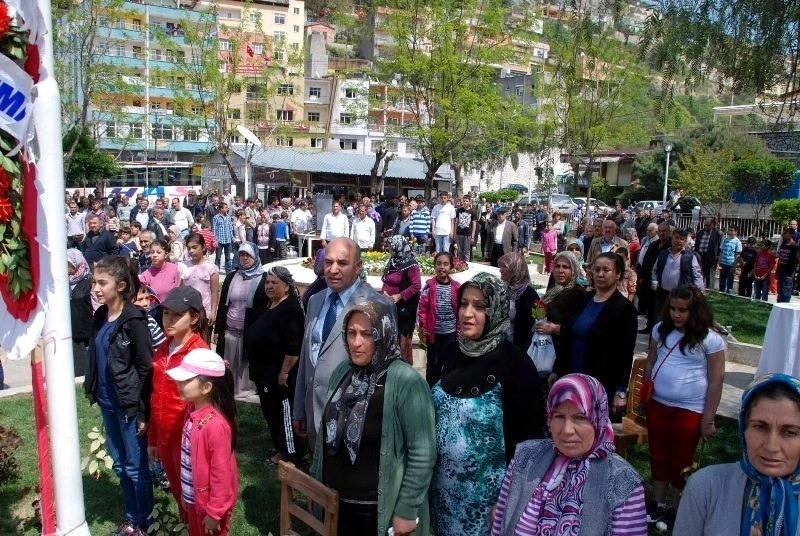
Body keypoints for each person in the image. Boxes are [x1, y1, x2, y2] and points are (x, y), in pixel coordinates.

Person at [430, 272, 546, 535]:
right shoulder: (450, 352)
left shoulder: (516, 364)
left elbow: (530, 444)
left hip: (489, 504)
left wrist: (510, 500)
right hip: (441, 494)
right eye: (464, 304)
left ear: (496, 309)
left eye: (480, 306)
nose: (467, 313)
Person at [310, 300, 435, 536]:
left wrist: (407, 510)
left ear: (384, 335)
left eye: (367, 334)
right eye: (351, 333)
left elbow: (423, 453)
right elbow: (324, 441)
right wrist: (316, 488)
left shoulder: (407, 383)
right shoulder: (343, 373)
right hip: (336, 506)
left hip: (375, 514)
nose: (356, 343)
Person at [492, 374, 648, 535]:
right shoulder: (526, 456)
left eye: (580, 417)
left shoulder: (623, 482)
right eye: (558, 416)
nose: (567, 430)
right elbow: (499, 523)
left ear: (598, 419)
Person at [293, 237, 395, 446]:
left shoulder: (378, 305)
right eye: (328, 262)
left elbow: (388, 370)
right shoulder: (315, 301)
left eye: (342, 263)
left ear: (358, 267)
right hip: (314, 416)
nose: (332, 269)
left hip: (354, 422)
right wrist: (300, 408)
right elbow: (307, 357)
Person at [674, 373, 800, 535]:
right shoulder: (706, 487)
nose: (771, 446)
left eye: (790, 432)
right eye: (760, 427)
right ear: (743, 429)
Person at [642, 285, 725, 528]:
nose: (676, 315)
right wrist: (646, 393)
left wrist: (708, 419)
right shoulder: (660, 330)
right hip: (658, 404)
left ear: (695, 311)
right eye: (672, 309)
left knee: (681, 461)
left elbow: (716, 380)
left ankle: (677, 508)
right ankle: (658, 504)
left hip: (689, 409)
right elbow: (650, 362)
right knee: (658, 455)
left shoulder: (711, 340)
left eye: (683, 310)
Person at [84, 256, 154, 535]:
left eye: (102, 282)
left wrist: (141, 411)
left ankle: (145, 522)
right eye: (94, 282)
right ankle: (131, 517)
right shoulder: (100, 316)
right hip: (107, 404)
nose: (96, 288)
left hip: (129, 407)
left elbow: (146, 368)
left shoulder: (134, 320)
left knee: (136, 467)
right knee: (120, 466)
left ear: (121, 285)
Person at [147, 286, 209, 517]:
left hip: (187, 439)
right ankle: (187, 525)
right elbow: (156, 395)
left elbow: (207, 407)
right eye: (166, 313)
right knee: (178, 493)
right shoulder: (164, 347)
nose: (168, 320)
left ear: (193, 318)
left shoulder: (199, 353)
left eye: (176, 315)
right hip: (165, 436)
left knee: (193, 496)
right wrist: (154, 437)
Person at [550, 252, 638, 410]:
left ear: (618, 274)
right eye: (596, 270)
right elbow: (568, 335)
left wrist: (620, 391)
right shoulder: (583, 299)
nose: (600, 274)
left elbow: (625, 352)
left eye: (606, 270)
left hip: (600, 380)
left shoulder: (624, 309)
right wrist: (557, 369)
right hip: (571, 374)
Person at [166, 349, 238, 536]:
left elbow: (221, 475)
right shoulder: (192, 413)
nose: (178, 383)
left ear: (206, 387)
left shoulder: (215, 426)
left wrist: (214, 513)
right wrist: (187, 495)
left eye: (185, 380)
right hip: (196, 501)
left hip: (210, 508)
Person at [244, 266, 305, 466]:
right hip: (264, 374)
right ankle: (280, 446)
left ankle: (290, 452)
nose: (269, 286)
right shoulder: (270, 305)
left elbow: (294, 347)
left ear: (286, 287)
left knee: (282, 414)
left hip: (280, 376)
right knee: (270, 413)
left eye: (274, 283)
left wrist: (284, 372)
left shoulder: (290, 310)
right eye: (267, 282)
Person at [214, 243, 268, 399]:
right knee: (228, 362)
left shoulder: (263, 279)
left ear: (255, 256)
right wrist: (218, 329)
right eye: (241, 255)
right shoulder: (232, 276)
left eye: (248, 255)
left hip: (250, 331)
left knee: (245, 364)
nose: (244, 258)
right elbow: (224, 302)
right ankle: (228, 388)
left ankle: (245, 390)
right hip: (230, 329)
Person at [537, 251, 589, 374]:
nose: (560, 270)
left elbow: (577, 329)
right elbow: (539, 312)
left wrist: (555, 328)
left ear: (574, 270)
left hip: (562, 356)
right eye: (557, 266)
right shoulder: (553, 290)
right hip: (542, 348)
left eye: (566, 267)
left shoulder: (579, 294)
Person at [418, 251, 461, 387]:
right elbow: (423, 309)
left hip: (451, 333)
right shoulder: (429, 287)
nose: (442, 267)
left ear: (451, 267)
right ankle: (431, 390)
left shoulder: (456, 287)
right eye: (439, 264)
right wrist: (423, 328)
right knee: (433, 363)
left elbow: (460, 309)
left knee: (449, 362)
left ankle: (446, 389)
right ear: (434, 266)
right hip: (434, 335)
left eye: (446, 264)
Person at [381, 235, 421, 364]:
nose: (390, 250)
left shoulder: (411, 265)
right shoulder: (393, 262)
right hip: (389, 307)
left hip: (403, 309)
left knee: (403, 341)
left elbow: (416, 286)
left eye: (392, 247)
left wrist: (399, 296)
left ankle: (405, 370)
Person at [651, 228, 704, 319]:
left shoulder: (690, 257)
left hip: (681, 296)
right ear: (672, 238)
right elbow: (655, 270)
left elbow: (697, 275)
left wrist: (699, 291)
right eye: (677, 238)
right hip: (663, 294)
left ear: (685, 241)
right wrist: (654, 281)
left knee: (677, 318)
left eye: (682, 239)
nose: (678, 241)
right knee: (661, 317)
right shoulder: (663, 254)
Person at [180, 233, 220, 336]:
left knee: (203, 342)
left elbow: (214, 292)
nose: (191, 251)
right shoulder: (183, 267)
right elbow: (180, 289)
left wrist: (213, 312)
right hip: (187, 312)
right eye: (189, 248)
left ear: (203, 247)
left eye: (195, 247)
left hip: (204, 313)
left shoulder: (211, 268)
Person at [498, 252, 539, 350]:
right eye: (500, 266)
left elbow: (536, 322)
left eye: (504, 266)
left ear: (515, 269)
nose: (500, 270)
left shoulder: (530, 295)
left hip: (518, 348)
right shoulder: (502, 289)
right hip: (499, 345)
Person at [68, 249, 93, 377]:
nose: (66, 267)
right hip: (71, 330)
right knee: (77, 368)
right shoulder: (63, 282)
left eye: (69, 264)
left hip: (87, 330)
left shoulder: (89, 282)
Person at [693, 218, 723, 290]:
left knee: (710, 275)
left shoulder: (717, 233)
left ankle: (710, 291)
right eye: (705, 225)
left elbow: (720, 246)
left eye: (708, 225)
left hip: (710, 257)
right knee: (699, 274)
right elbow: (697, 244)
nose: (706, 227)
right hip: (700, 256)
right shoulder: (700, 232)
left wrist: (718, 257)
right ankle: (699, 290)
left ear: (713, 225)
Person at [777, 227, 799, 303]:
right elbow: (780, 259)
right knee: (780, 291)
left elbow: (795, 261)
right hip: (781, 271)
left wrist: (790, 274)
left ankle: (785, 308)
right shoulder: (783, 245)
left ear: (790, 235)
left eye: (785, 233)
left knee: (786, 292)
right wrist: (777, 271)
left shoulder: (794, 246)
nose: (783, 234)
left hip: (788, 273)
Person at [718, 225, 742, 293]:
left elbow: (737, 255)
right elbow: (721, 251)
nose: (730, 232)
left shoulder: (737, 242)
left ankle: (729, 293)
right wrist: (719, 262)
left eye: (732, 230)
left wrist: (734, 266)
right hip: (723, 263)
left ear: (736, 232)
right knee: (722, 279)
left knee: (730, 280)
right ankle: (721, 291)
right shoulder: (725, 239)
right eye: (729, 230)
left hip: (731, 264)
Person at [455, 195, 478, 261]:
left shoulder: (472, 211)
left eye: (466, 201)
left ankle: (467, 265)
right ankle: (459, 265)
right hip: (459, 233)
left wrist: (473, 236)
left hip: (468, 234)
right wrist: (455, 233)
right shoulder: (459, 210)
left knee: (466, 252)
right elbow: (456, 222)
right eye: (464, 201)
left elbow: (474, 224)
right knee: (459, 251)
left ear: (469, 202)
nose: (465, 202)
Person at [212, 202, 234, 273]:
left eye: (227, 207)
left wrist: (232, 238)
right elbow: (215, 229)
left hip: (228, 240)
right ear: (221, 209)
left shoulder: (228, 217)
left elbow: (230, 228)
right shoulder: (216, 217)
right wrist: (215, 240)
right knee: (218, 257)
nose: (227, 209)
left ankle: (228, 272)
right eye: (225, 207)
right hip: (220, 241)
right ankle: (216, 272)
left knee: (228, 257)